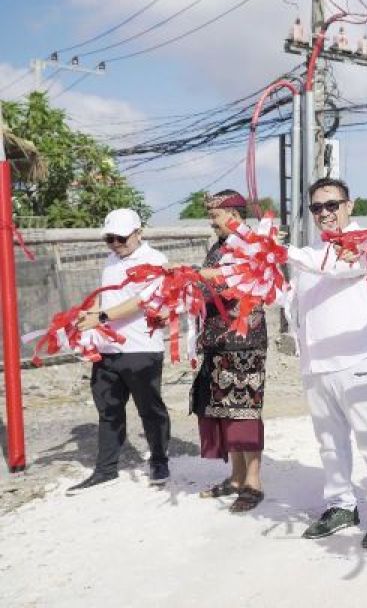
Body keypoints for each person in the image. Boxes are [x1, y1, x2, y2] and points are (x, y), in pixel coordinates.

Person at [288, 177, 367, 548]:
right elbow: (295, 305)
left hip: (356, 357)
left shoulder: (364, 244)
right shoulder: (309, 255)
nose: (325, 213)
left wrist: (276, 250)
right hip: (317, 363)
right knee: (329, 442)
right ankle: (341, 504)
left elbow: (337, 267)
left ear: (349, 205)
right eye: (317, 207)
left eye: (332, 204)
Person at [69, 208, 172, 494]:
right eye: (110, 239)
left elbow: (142, 300)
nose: (115, 244)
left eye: (121, 238)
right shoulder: (111, 260)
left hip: (141, 347)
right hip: (108, 347)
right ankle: (106, 469)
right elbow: (106, 296)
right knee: (108, 409)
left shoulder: (155, 260)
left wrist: (100, 317)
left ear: (139, 233)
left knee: (149, 409)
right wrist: (87, 313)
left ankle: (159, 460)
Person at [191, 190, 268, 512]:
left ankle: (253, 482)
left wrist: (196, 276)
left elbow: (233, 282)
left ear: (233, 216)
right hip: (217, 341)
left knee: (243, 413)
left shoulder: (251, 246)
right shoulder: (220, 246)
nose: (212, 223)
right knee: (224, 412)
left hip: (244, 343)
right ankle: (236, 477)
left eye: (215, 216)